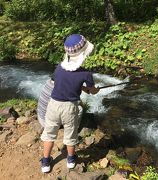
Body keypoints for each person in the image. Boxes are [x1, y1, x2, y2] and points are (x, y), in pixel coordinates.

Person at [40, 34, 99, 173]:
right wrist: (93, 89)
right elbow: (93, 91)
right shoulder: (85, 74)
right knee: (70, 134)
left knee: (49, 134)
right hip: (70, 107)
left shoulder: (59, 68)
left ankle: (46, 162)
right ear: (84, 53)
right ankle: (71, 160)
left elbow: (57, 82)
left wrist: (81, 87)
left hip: (53, 105)